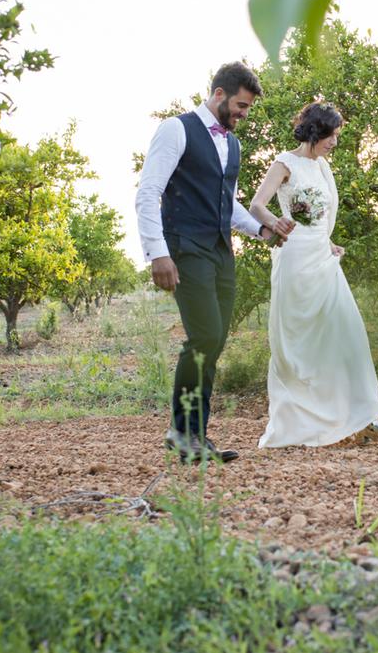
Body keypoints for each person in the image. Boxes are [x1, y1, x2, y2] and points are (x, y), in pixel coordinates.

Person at [135, 62, 295, 463]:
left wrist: (262, 230)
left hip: (221, 252)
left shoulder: (233, 144)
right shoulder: (177, 129)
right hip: (184, 248)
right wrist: (158, 253)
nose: (243, 114)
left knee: (214, 340)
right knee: (204, 336)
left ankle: (195, 435)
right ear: (219, 94)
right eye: (240, 105)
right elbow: (149, 190)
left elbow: (228, 204)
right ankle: (181, 431)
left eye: (248, 108)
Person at [248, 102, 378, 448]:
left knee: (347, 331)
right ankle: (305, 422)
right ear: (315, 131)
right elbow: (257, 205)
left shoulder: (324, 167)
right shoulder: (285, 164)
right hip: (295, 259)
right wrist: (274, 223)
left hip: (322, 259)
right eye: (331, 135)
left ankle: (363, 417)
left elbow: (322, 218)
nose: (334, 142)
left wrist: (329, 243)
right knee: (301, 344)